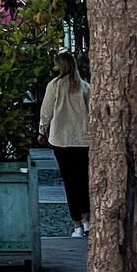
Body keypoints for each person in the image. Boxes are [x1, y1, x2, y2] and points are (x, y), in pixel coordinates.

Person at [39, 51, 90, 237]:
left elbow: (46, 111)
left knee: (70, 183)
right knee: (84, 180)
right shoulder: (85, 87)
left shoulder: (54, 86)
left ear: (61, 66)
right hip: (83, 140)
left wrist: (41, 130)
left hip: (61, 140)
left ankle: (76, 225)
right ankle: (87, 220)